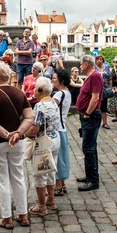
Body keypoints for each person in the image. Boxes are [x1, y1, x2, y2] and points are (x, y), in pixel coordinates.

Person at [0, 61, 34, 228]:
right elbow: (29, 117)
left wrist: (7, 135)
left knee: (2, 179)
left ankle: (6, 217)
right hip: (18, 142)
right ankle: (23, 214)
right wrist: (18, 133)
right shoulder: (19, 93)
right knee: (18, 177)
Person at [26, 77, 61, 216]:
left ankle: (41, 206)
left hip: (43, 145)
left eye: (35, 88)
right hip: (55, 142)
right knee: (51, 171)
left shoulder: (40, 106)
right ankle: (51, 201)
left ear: (40, 90)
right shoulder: (54, 103)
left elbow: (35, 128)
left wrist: (23, 134)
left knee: (40, 174)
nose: (33, 90)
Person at [77, 55, 103, 191]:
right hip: (87, 116)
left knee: (89, 148)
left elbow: (95, 97)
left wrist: (87, 113)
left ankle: (93, 179)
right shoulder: (91, 77)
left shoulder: (95, 76)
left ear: (86, 64)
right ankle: (90, 175)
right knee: (88, 147)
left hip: (91, 116)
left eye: (81, 64)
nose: (80, 66)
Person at [51, 68, 72, 197]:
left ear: (61, 80)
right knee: (63, 157)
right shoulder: (67, 92)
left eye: (55, 78)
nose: (53, 80)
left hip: (56, 128)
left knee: (57, 158)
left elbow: (51, 108)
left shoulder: (58, 94)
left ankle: (57, 186)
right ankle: (62, 184)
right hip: (62, 128)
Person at [95, 55, 112, 129]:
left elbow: (110, 78)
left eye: (101, 59)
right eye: (98, 59)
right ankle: (96, 121)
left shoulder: (106, 68)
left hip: (105, 88)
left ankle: (105, 122)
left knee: (104, 106)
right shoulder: (94, 68)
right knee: (96, 105)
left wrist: (110, 88)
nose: (99, 60)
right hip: (96, 89)